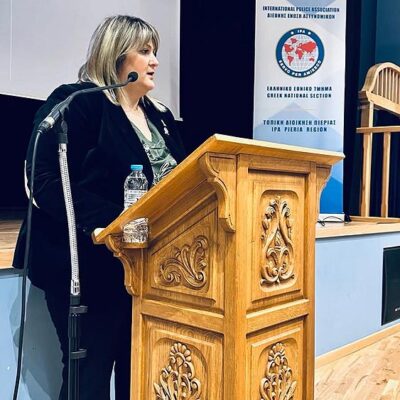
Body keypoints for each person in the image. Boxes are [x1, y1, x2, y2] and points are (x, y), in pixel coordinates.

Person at [13, 15, 186, 400]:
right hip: (86, 264)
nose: (155, 61)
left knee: (139, 373)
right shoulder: (79, 103)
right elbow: (43, 179)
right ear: (117, 56)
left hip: (147, 266)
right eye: (145, 51)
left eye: (155, 51)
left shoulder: (160, 115)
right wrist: (105, 223)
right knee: (88, 378)